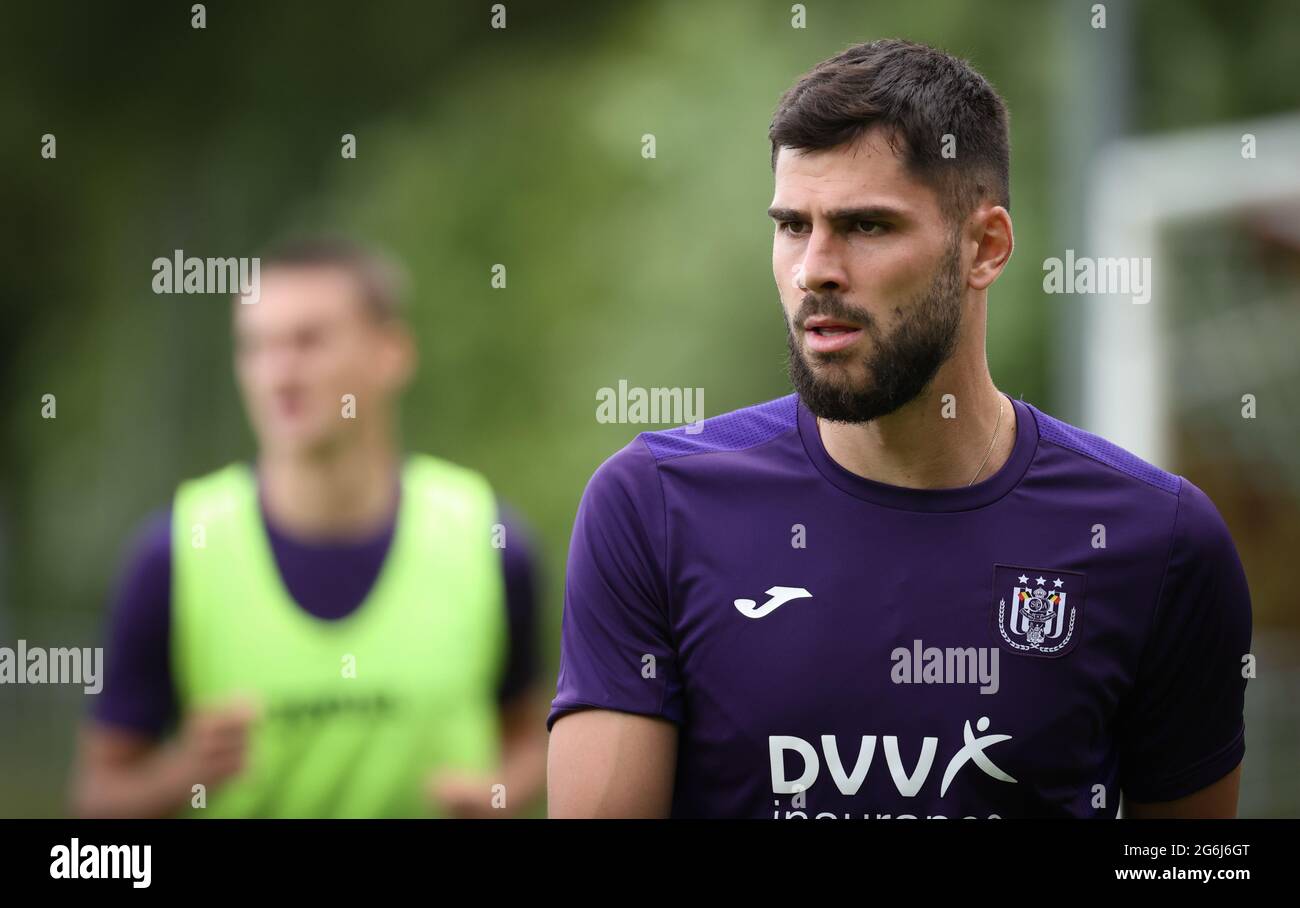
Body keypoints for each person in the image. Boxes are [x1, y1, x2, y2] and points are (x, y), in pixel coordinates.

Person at [547, 39, 1251, 819]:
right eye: (791, 226)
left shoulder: (1159, 541)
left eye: (866, 226)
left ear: (984, 247)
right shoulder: (655, 505)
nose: (815, 268)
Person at [73, 238, 547, 818]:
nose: (279, 374)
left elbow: (531, 739)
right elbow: (96, 804)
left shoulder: (491, 543)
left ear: (391, 352)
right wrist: (181, 775)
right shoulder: (174, 553)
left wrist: (500, 793)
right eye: (257, 347)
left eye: (308, 341)